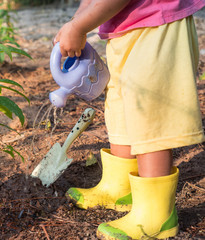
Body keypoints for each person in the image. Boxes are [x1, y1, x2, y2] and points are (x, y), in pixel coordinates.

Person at [53, 0, 205, 239]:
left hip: (157, 26)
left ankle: (157, 217)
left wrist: (80, 26)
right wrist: (75, 22)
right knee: (121, 104)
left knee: (149, 115)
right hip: (125, 30)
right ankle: (121, 188)